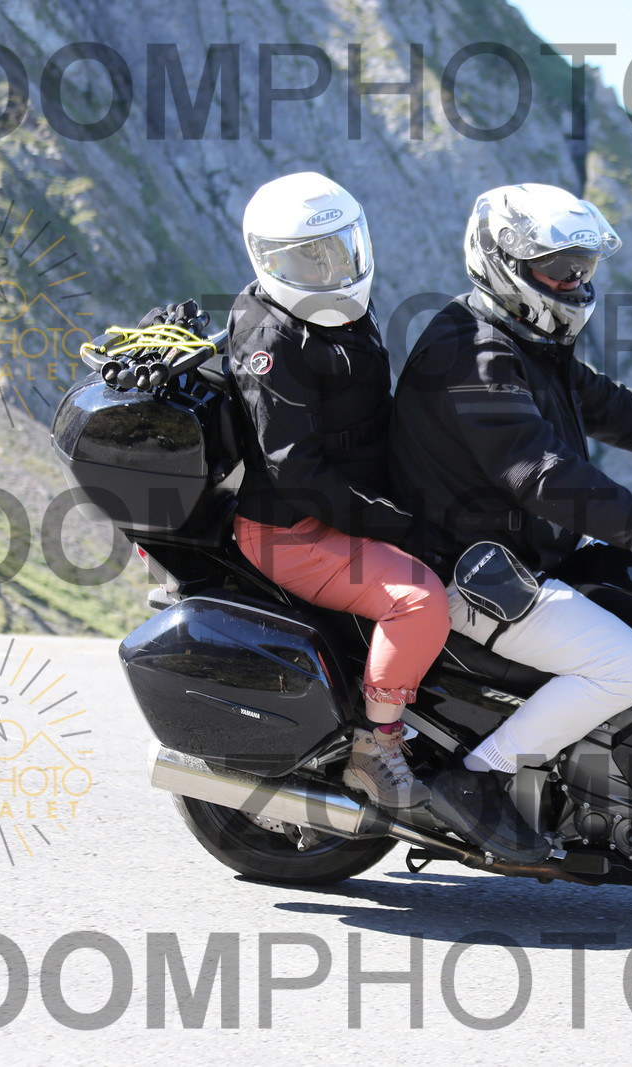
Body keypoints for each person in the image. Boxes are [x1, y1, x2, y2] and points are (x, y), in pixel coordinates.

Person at [390, 182, 632, 862]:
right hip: (466, 570)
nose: (575, 282)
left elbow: (620, 409)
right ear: (503, 263)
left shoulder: (524, 337)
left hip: (520, 554)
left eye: (583, 266)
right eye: (558, 268)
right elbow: (545, 477)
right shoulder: (474, 354)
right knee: (623, 665)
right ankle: (478, 780)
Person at [226, 172, 448, 810]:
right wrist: (399, 524)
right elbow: (296, 471)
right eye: (308, 258)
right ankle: (375, 750)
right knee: (418, 600)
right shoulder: (275, 340)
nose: (329, 270)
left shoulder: (336, 313)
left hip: (344, 507)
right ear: (270, 261)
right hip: (291, 530)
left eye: (338, 250)